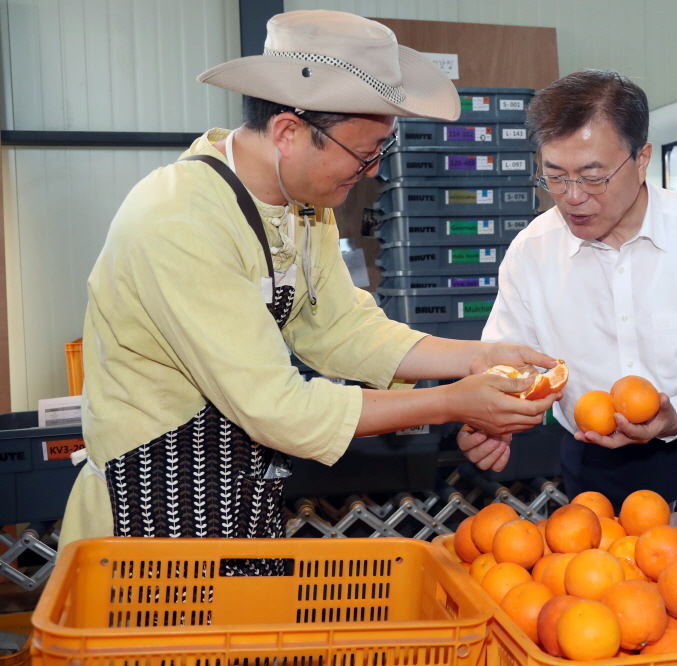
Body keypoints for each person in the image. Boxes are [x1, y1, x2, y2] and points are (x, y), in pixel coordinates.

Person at [61, 10, 560, 548]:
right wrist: (452, 402)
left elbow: (341, 328)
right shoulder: (181, 221)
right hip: (151, 509)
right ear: (288, 132)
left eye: (380, 152)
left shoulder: (303, 206)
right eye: (363, 153)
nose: (371, 171)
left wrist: (474, 359)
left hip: (236, 490)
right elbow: (278, 409)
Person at [459, 70, 677, 508]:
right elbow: (509, 361)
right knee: (601, 574)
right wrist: (491, 418)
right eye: (554, 176)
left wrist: (674, 418)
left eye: (593, 177)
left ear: (641, 159)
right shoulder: (532, 250)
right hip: (593, 464)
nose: (572, 196)